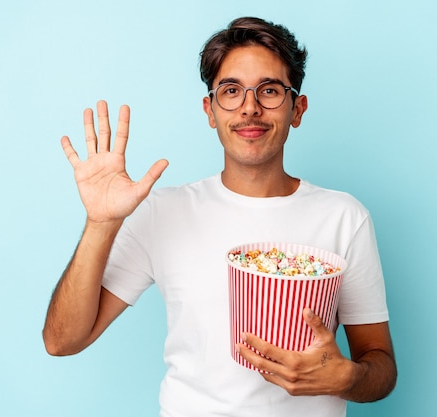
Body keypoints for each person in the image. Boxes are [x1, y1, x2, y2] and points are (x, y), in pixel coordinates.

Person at [43, 16, 397, 417]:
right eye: (231, 91)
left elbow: (381, 366)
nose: (250, 107)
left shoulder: (344, 217)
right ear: (210, 110)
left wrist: (347, 378)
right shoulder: (164, 212)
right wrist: (100, 224)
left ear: (297, 109)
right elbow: (62, 342)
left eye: (269, 90)